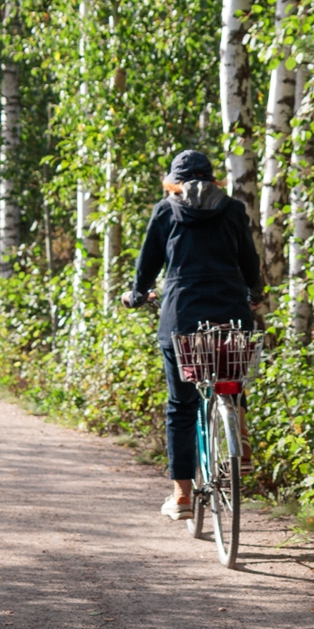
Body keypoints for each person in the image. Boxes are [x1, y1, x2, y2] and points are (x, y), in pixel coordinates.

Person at [120, 150, 263, 520]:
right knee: (230, 375)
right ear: (213, 180)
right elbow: (249, 262)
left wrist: (137, 294)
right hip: (231, 312)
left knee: (181, 406)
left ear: (175, 182)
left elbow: (147, 263)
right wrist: (255, 293)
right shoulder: (232, 210)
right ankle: (240, 446)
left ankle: (181, 497)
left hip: (182, 319)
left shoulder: (167, 210)